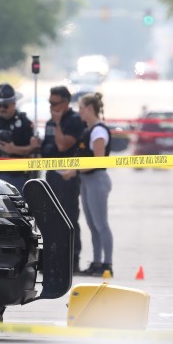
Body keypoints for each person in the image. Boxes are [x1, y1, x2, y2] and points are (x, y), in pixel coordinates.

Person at [61, 93, 113, 277]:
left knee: (101, 224)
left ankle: (107, 264)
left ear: (90, 109)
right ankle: (96, 262)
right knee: (92, 225)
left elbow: (98, 161)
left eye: (81, 108)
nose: (79, 112)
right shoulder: (87, 130)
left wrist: (74, 170)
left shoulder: (99, 131)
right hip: (87, 180)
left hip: (97, 180)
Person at [38, 85, 87, 268]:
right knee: (50, 217)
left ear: (66, 103)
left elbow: (63, 146)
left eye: (55, 103)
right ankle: (52, 258)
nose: (52, 107)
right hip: (51, 174)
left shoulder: (74, 121)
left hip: (67, 176)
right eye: (49, 103)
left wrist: (58, 123)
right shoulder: (51, 121)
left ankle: (73, 260)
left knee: (68, 217)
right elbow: (49, 146)